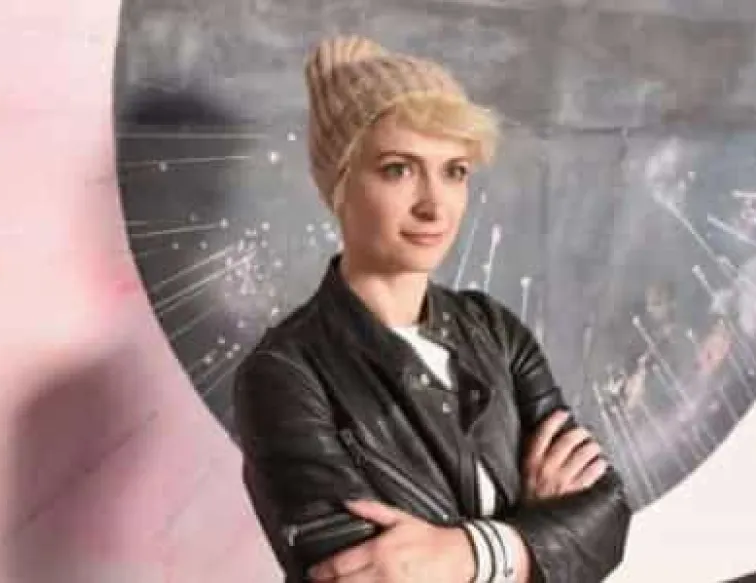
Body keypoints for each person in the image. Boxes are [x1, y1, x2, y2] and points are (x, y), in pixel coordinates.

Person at [232, 35, 632, 583]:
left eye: (455, 171)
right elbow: (360, 574)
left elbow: (607, 514)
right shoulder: (283, 373)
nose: (434, 204)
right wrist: (534, 534)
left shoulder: (495, 331)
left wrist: (463, 553)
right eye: (399, 169)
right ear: (340, 185)